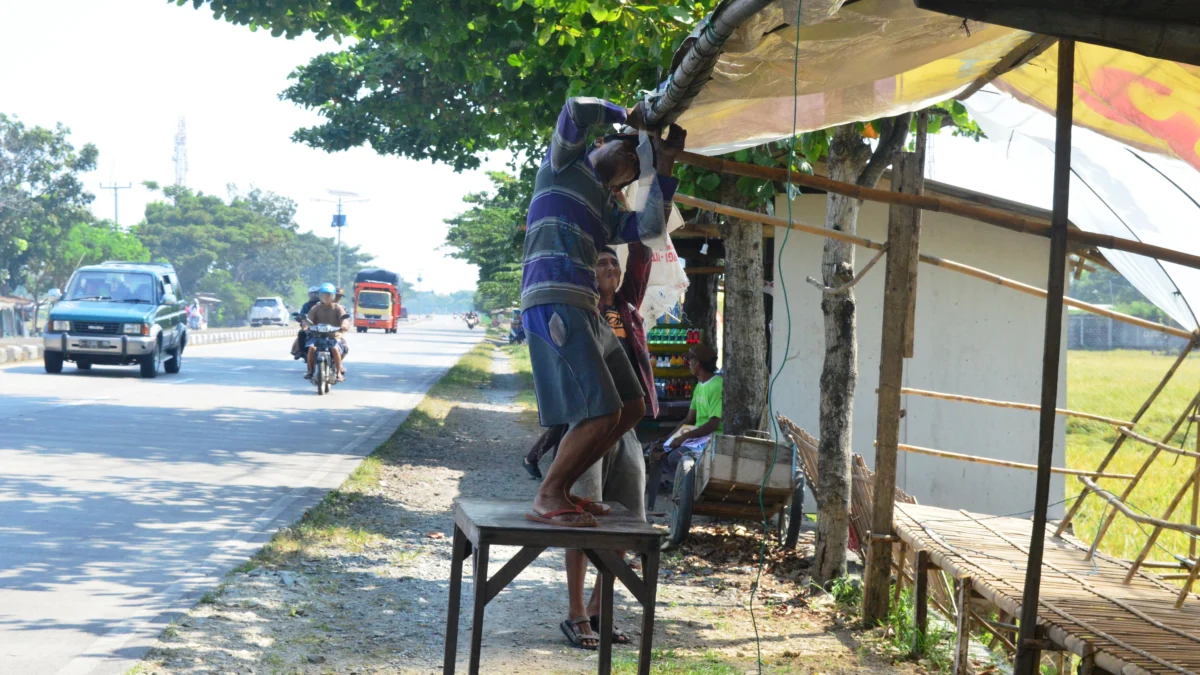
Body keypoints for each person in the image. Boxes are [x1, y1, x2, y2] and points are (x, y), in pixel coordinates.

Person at [521, 95, 686, 527]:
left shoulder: (609, 205)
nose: (631, 162)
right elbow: (576, 106)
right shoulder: (563, 162)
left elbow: (650, 230)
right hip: (555, 299)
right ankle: (549, 494)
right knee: (601, 412)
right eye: (626, 149)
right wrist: (630, 116)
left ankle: (568, 489)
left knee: (631, 406)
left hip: (586, 308)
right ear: (598, 142)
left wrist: (663, 165)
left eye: (637, 166)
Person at [559, 243, 658, 649]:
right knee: (581, 516)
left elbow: (643, 251)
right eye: (600, 263)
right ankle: (575, 613)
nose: (610, 269)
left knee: (626, 521)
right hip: (589, 423)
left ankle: (600, 609)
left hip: (627, 427)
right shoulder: (580, 309)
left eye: (613, 263)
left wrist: (640, 204)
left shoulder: (629, 308)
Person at [658, 343, 723, 480]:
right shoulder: (699, 386)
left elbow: (714, 424)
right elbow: (689, 420)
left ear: (698, 364)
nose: (689, 364)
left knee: (675, 457)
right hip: (697, 438)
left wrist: (683, 438)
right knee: (661, 454)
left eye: (691, 361)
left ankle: (689, 488)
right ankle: (683, 488)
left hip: (711, 439)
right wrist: (669, 438)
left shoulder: (717, 385)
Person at [305, 283, 351, 381]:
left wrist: (344, 325)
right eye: (323, 295)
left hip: (333, 336)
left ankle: (338, 372)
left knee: (335, 349)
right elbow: (309, 319)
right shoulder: (316, 308)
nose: (326, 298)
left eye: (328, 295)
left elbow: (344, 319)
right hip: (317, 336)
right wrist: (305, 325)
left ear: (333, 296)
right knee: (311, 348)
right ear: (320, 296)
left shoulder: (338, 308)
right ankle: (310, 371)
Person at [291, 286, 321, 359]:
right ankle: (302, 351)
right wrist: (299, 318)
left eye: (316, 294)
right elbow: (301, 314)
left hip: (322, 327)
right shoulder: (306, 305)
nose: (314, 296)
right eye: (312, 294)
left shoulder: (323, 304)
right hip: (309, 326)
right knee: (301, 333)